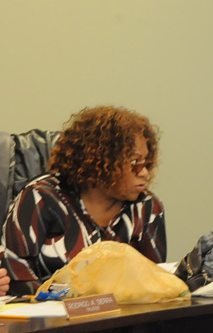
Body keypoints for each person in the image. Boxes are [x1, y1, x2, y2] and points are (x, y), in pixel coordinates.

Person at [0, 106, 166, 295]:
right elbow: (16, 281)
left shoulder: (147, 207)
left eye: (147, 162)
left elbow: (154, 282)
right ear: (102, 160)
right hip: (53, 320)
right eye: (135, 162)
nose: (144, 172)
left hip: (124, 318)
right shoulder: (41, 199)